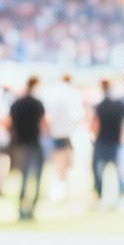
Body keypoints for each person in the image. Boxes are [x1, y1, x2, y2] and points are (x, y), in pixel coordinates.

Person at [7, 76, 47, 221]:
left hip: (20, 143)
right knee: (36, 177)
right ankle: (32, 206)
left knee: (24, 176)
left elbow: (9, 123)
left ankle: (21, 205)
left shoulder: (17, 104)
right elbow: (44, 124)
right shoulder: (37, 104)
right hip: (33, 143)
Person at [43, 71, 85, 201]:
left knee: (60, 164)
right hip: (67, 134)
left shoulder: (56, 93)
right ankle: (61, 188)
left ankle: (61, 187)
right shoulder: (72, 94)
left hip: (58, 133)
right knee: (64, 164)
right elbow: (78, 116)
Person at [89, 79, 124, 206]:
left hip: (103, 142)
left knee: (99, 171)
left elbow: (94, 124)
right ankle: (121, 194)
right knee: (118, 171)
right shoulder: (119, 105)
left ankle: (102, 195)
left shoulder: (101, 105)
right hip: (114, 142)